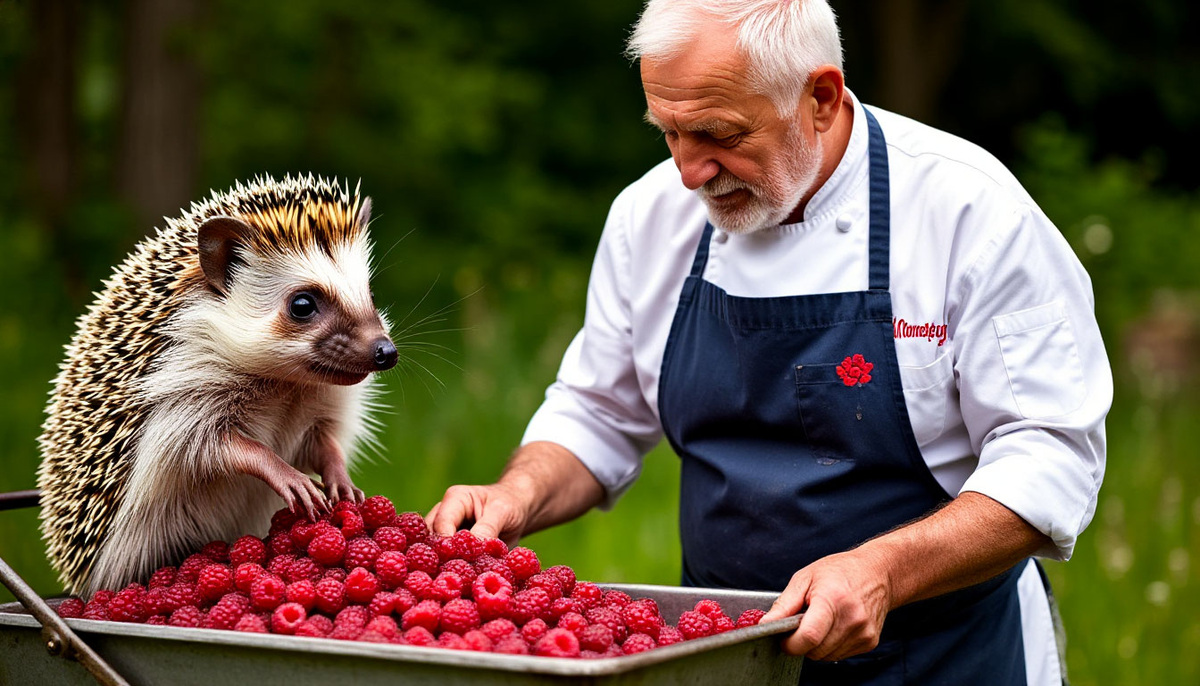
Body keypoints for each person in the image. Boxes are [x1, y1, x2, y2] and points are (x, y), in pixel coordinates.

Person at [427, 1, 1110, 683]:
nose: (690, 171)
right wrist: (518, 493)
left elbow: (1049, 455)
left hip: (946, 657)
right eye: (668, 133)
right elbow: (601, 410)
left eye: (716, 133)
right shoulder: (650, 217)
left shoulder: (970, 214)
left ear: (820, 97)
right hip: (732, 659)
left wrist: (882, 570)